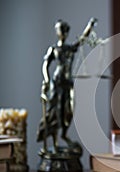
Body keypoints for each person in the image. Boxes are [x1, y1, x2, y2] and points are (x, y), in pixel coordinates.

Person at [37, 18, 97, 154]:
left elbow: (82, 39)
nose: (62, 32)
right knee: (55, 112)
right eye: (60, 29)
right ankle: (55, 142)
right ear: (57, 32)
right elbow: (45, 65)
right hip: (57, 83)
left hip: (68, 84)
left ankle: (64, 134)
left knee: (68, 110)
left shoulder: (70, 48)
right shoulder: (53, 49)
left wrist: (90, 26)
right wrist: (46, 80)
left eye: (65, 30)